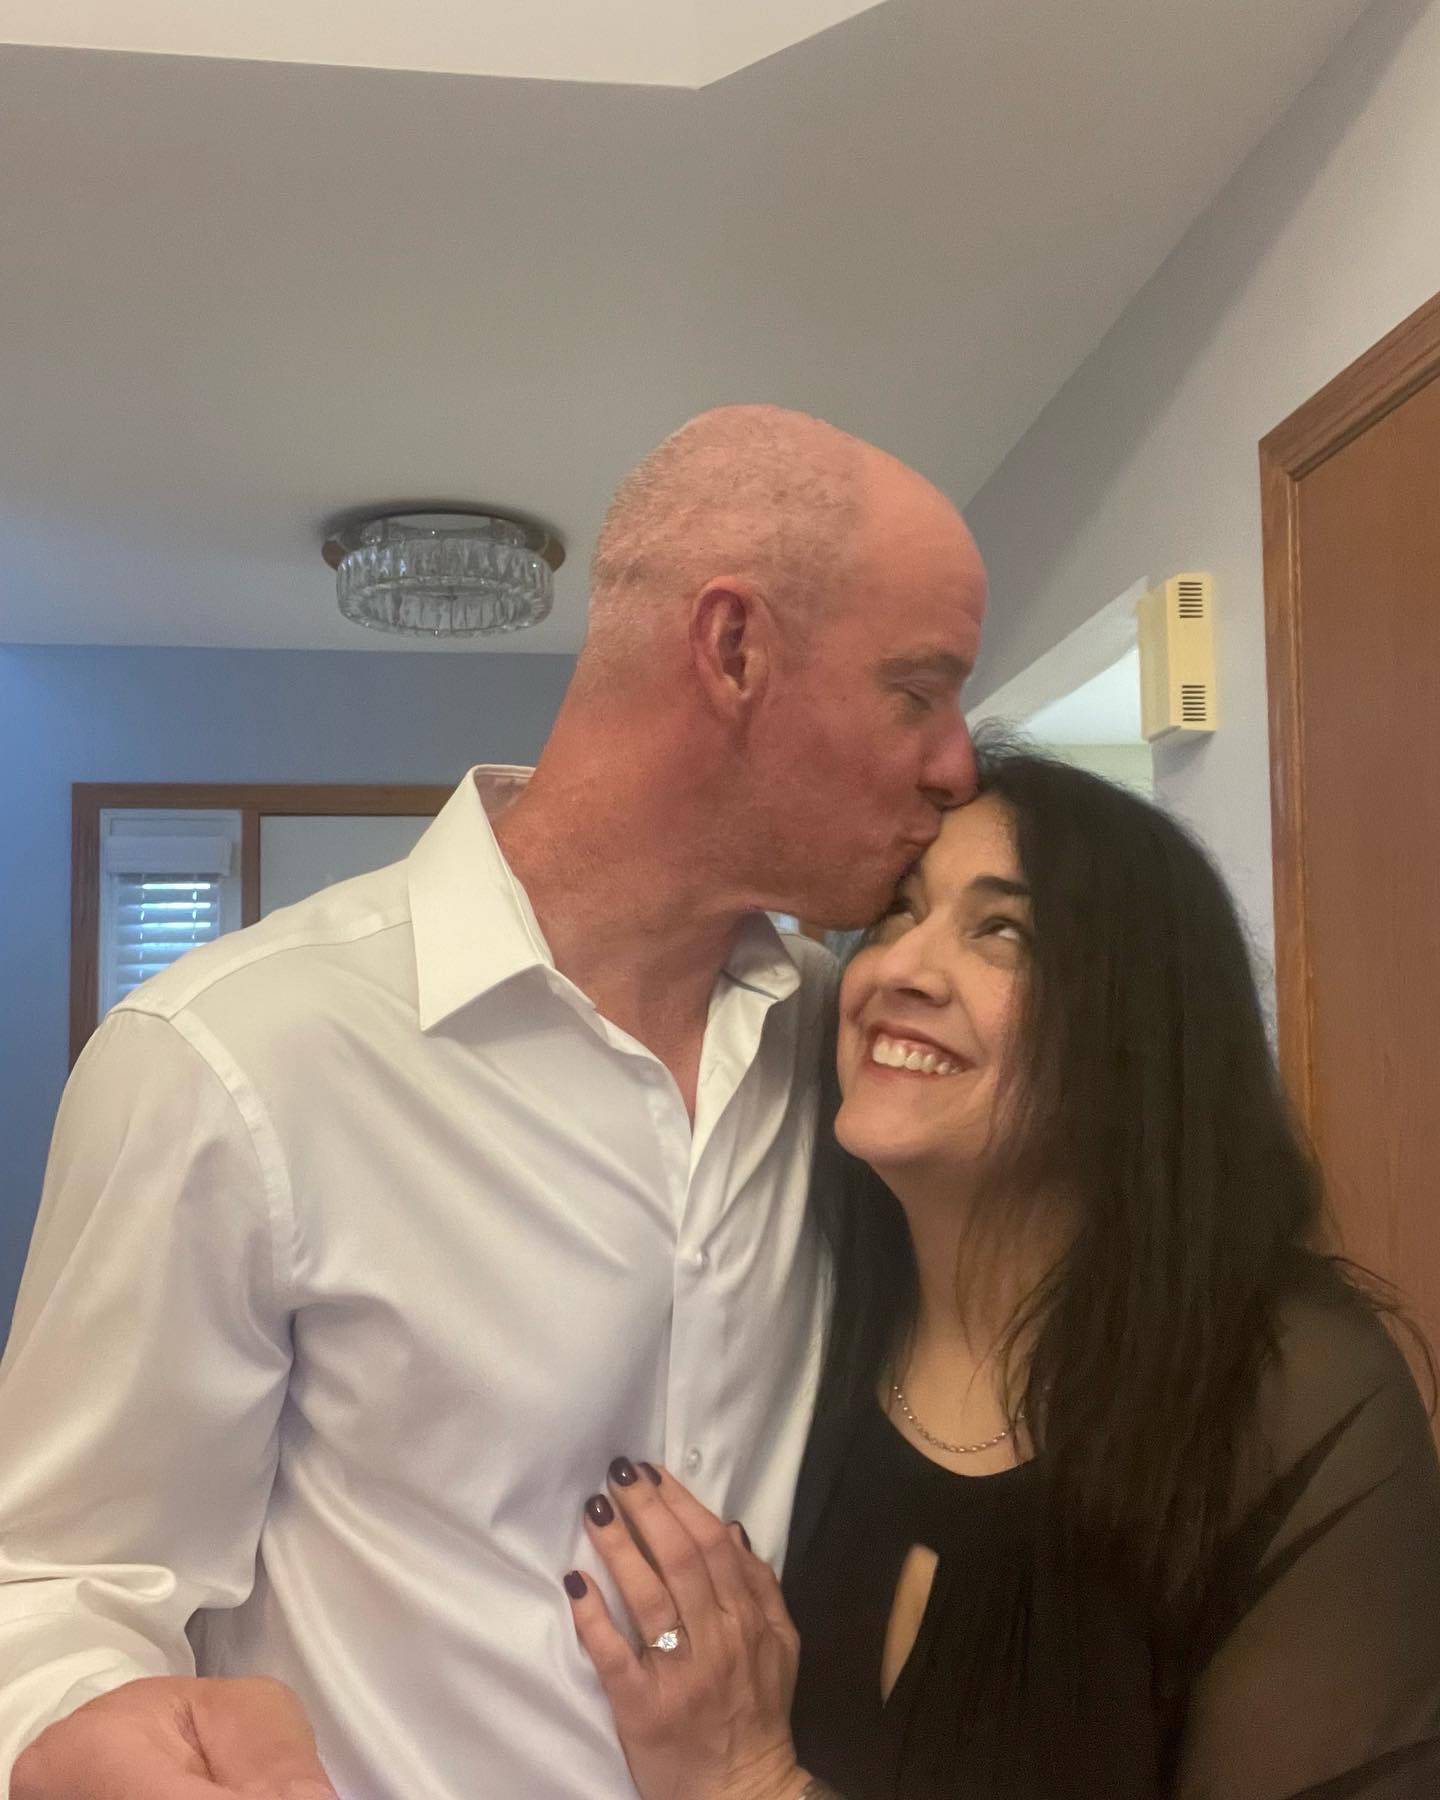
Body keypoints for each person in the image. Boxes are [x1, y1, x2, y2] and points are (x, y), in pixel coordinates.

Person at [0, 405, 988, 1799]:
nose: (957, 762)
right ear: (735, 650)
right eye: (919, 689)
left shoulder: (853, 1060)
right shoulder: (231, 1059)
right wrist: (74, 1734)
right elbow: (58, 1575)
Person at [568, 743, 1440, 1800]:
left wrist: (753, 1784)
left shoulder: (1289, 1397)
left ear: (1137, 1030)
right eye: (897, 912)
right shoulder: (805, 1321)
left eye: (1003, 932)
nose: (895, 969)